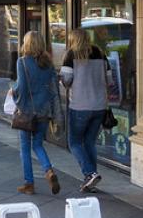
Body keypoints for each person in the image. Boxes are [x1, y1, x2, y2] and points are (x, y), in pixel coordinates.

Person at [61, 28, 113, 193]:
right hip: (99, 106)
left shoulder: (71, 55)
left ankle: (90, 173)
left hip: (79, 105)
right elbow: (110, 80)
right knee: (89, 142)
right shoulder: (100, 53)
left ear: (74, 40)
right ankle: (91, 179)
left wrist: (61, 80)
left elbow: (66, 80)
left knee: (74, 142)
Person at [12, 31, 61, 195]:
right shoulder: (48, 64)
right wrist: (55, 113)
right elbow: (54, 91)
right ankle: (49, 171)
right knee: (38, 145)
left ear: (27, 44)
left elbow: (22, 88)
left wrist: (14, 93)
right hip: (44, 112)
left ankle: (29, 183)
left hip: (27, 112)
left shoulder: (22, 62)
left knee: (25, 148)